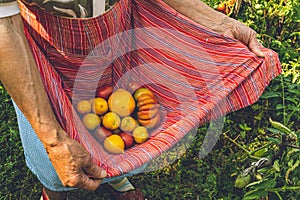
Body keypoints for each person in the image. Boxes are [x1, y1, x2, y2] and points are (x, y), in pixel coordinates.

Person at [0, 0, 264, 199]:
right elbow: (3, 23)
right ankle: (52, 192)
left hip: (118, 30)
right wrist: (55, 142)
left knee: (126, 122)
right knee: (55, 143)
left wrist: (217, 23)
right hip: (52, 49)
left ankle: (116, 177)